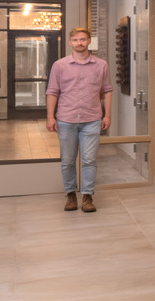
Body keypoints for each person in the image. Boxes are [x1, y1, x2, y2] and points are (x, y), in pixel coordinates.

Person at [46, 26, 112, 213]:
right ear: (70, 42)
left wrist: (107, 115)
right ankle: (70, 195)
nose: (79, 43)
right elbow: (52, 92)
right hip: (66, 120)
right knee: (67, 161)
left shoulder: (101, 65)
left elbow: (107, 91)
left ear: (89, 41)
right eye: (75, 40)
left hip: (92, 120)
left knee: (89, 160)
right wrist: (50, 117)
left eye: (83, 39)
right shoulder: (59, 65)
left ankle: (87, 196)